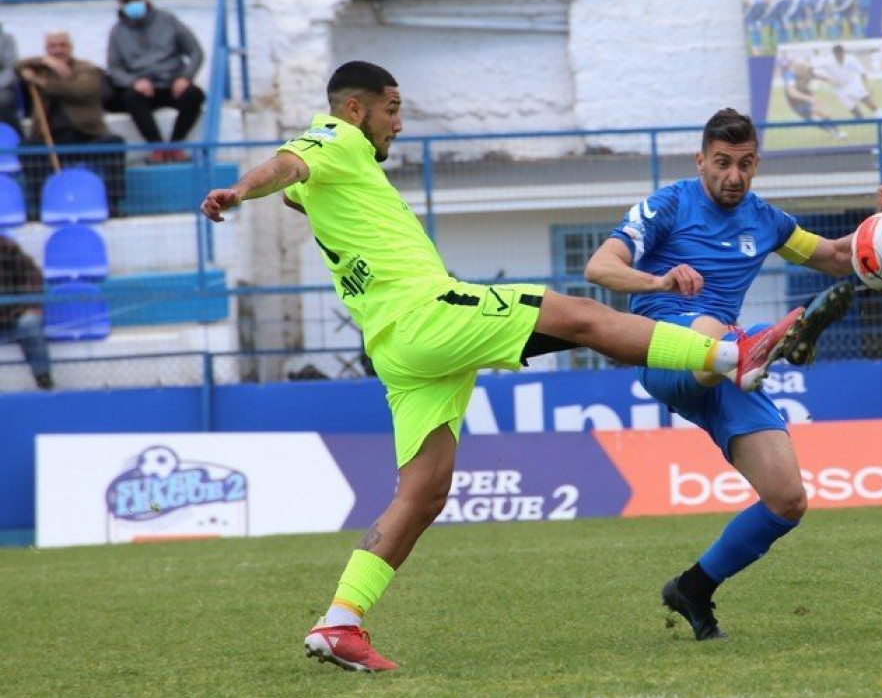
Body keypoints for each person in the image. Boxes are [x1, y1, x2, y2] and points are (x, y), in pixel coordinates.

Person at [199, 62, 803, 671]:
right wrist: (239, 190)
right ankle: (730, 354)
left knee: (425, 491)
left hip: (395, 347)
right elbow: (287, 165)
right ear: (355, 110)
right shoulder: (336, 139)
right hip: (428, 312)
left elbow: (301, 191)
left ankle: (340, 620)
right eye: (391, 109)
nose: (399, 124)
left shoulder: (338, 175)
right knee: (580, 316)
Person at [585, 107, 882, 639]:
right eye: (721, 163)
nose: (733, 176)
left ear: (756, 163)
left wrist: (881, 230)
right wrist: (661, 281)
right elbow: (600, 267)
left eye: (744, 164)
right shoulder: (669, 205)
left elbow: (832, 256)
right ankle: (763, 343)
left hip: (729, 369)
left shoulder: (766, 219)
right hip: (666, 351)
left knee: (787, 500)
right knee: (713, 330)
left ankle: (693, 588)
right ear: (700, 161)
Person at [16, 31, 127, 218]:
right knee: (27, 150)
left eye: (62, 45)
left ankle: (113, 204)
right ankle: (38, 205)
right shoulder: (42, 67)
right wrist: (45, 61)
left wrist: (42, 82)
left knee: (114, 144)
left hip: (85, 135)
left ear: (71, 47)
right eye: (53, 46)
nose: (58, 50)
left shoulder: (87, 69)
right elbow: (18, 66)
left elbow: (79, 91)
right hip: (52, 138)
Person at [107, 0, 206, 162]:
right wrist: (133, 82)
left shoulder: (168, 20)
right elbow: (114, 68)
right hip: (144, 89)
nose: (132, 4)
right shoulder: (117, 32)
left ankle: (176, 145)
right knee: (130, 98)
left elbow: (195, 52)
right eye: (126, 1)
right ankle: (157, 147)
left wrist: (185, 77)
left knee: (194, 95)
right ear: (120, 4)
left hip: (173, 83)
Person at [0, 235, 53, 390]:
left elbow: (33, 275)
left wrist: (31, 304)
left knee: (30, 322)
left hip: (13, 315)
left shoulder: (5, 246)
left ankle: (44, 380)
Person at [780, 58, 845, 139]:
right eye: (806, 68)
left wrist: (831, 80)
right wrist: (808, 98)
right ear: (799, 68)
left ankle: (837, 132)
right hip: (795, 102)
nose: (808, 70)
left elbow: (820, 77)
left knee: (822, 113)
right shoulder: (790, 76)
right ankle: (831, 131)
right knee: (813, 119)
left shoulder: (809, 72)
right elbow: (792, 92)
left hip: (807, 94)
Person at [817, 44, 882, 120]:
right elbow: (813, 70)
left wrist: (868, 85)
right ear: (834, 54)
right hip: (839, 90)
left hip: (853, 85)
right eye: (837, 55)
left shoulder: (851, 59)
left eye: (841, 54)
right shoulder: (827, 61)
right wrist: (826, 79)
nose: (840, 56)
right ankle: (863, 124)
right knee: (855, 112)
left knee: (871, 104)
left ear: (844, 52)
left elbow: (862, 72)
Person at [0, 24, 20, 133]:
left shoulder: (6, 39)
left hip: (3, 85)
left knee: (3, 99)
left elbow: (12, 68)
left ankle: (14, 137)